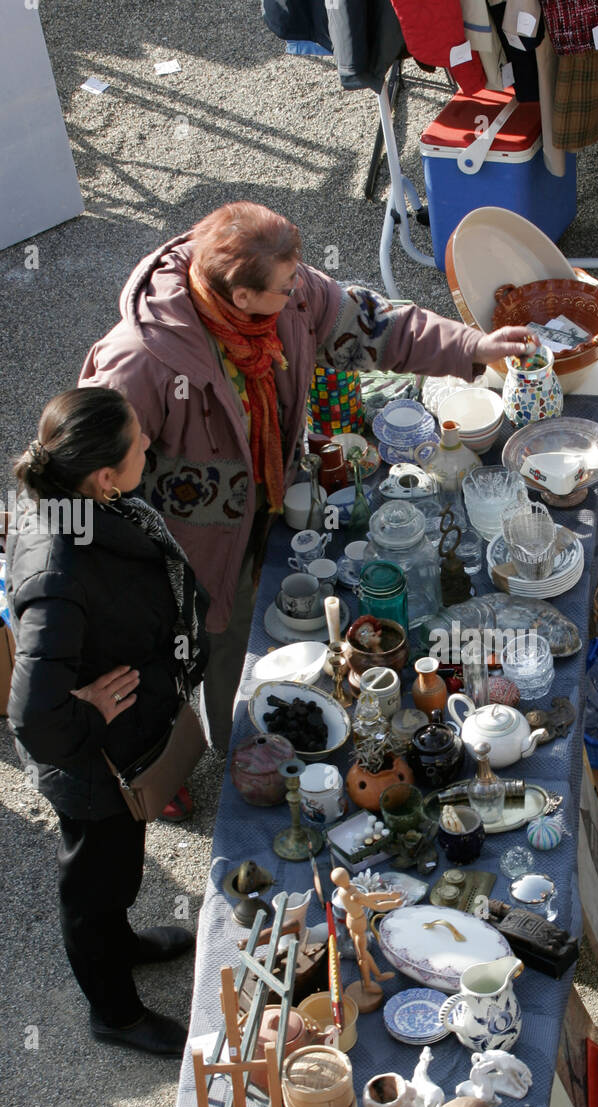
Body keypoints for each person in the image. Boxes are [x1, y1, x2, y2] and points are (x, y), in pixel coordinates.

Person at [79, 201, 534, 756]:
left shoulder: (286, 301)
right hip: (199, 555)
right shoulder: (141, 362)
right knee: (222, 654)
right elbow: (84, 475)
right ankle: (236, 760)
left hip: (277, 507)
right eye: (286, 282)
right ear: (240, 296)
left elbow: (376, 325)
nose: (301, 287)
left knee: (290, 632)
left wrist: (472, 347)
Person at [6, 388, 210, 1056]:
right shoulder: (58, 569)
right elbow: (33, 715)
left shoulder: (82, 502)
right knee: (93, 885)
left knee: (118, 864)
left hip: (115, 745)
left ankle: (122, 942)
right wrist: (86, 714)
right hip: (92, 763)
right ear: (103, 476)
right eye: (138, 442)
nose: (149, 445)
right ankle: (115, 1014)